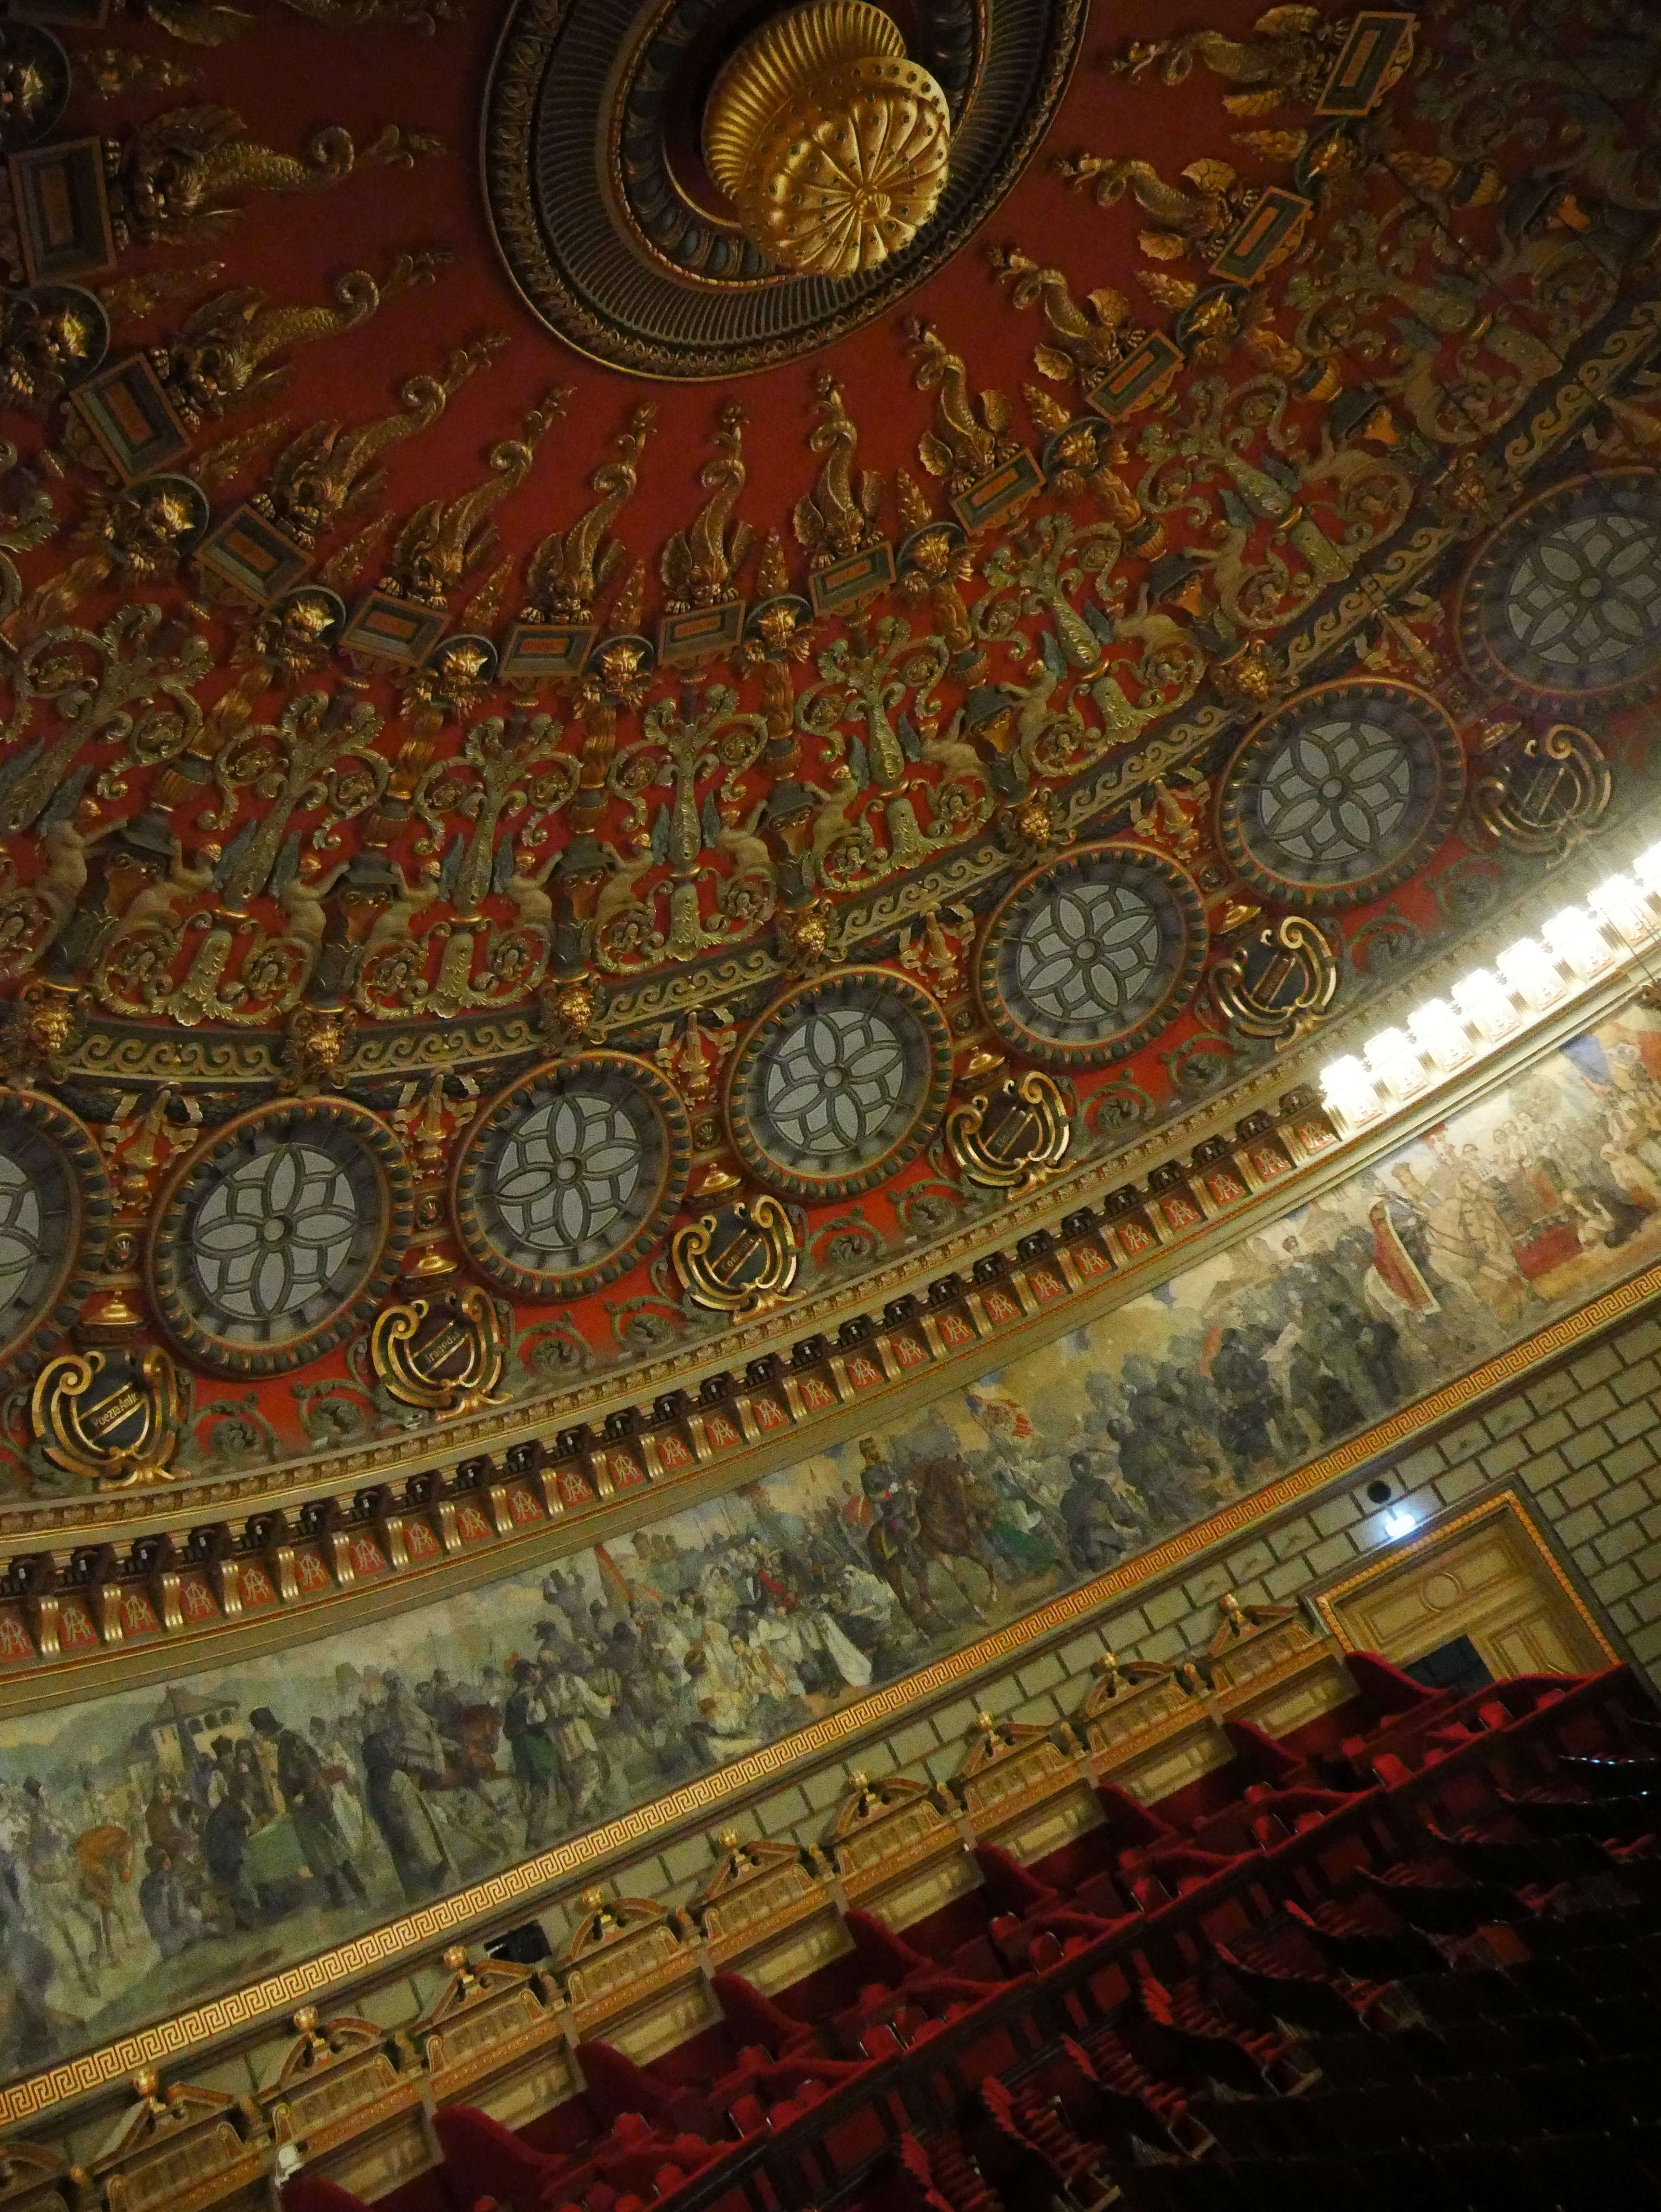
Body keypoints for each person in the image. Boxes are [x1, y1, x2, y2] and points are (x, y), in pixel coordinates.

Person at [250, 1709, 367, 1909]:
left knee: (333, 1848)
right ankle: (340, 1896)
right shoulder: (285, 1744)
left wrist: (303, 1794)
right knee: (319, 1854)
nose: (263, 1739)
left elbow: (310, 1770)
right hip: (307, 1806)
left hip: (313, 1804)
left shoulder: (291, 1742)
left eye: (262, 1734)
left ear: (266, 1731)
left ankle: (357, 1892)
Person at [503, 1660, 560, 1848]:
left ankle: (533, 1835)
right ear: (529, 1674)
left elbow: (507, 1732)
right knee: (541, 1791)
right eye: (536, 1670)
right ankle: (533, 1838)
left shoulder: (512, 1699)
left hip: (523, 1750)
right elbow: (542, 1721)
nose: (539, 1673)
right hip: (534, 1748)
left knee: (537, 1791)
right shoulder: (531, 1695)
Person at [138, 1846, 196, 1960]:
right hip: (179, 1939)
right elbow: (180, 1914)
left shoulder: (145, 1885)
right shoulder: (171, 1880)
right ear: (165, 1861)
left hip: (164, 1946)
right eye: (168, 1858)